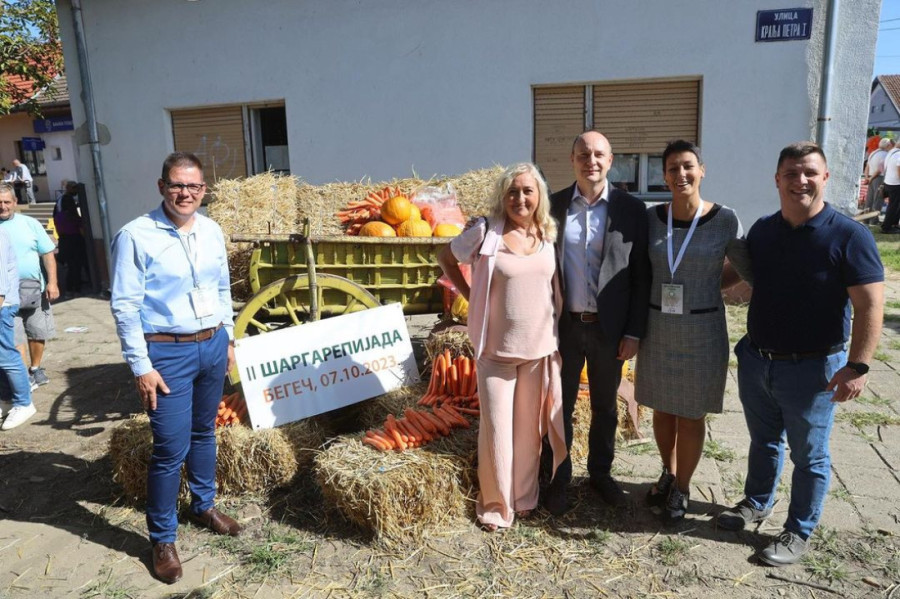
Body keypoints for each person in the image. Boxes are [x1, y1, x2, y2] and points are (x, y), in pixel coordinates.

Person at [717, 142, 884, 567]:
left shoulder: (849, 236)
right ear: (777, 179)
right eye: (791, 173)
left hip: (813, 369)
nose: (801, 180)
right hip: (758, 361)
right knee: (763, 442)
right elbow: (731, 279)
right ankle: (756, 503)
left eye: (810, 172)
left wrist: (858, 365)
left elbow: (870, 306)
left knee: (809, 455)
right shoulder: (764, 230)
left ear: (825, 177)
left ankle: (798, 530)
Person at [110, 152, 240, 583]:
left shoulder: (212, 230)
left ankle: (203, 506)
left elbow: (223, 287)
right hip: (166, 353)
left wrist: (230, 339)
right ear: (161, 185)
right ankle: (162, 538)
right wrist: (140, 366)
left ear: (204, 190)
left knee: (205, 431)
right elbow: (125, 307)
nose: (186, 193)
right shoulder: (136, 236)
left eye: (194, 186)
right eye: (177, 185)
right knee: (169, 448)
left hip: (211, 344)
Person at [437, 162, 567, 531]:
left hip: (538, 350)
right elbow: (446, 257)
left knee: (529, 433)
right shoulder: (484, 232)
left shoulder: (547, 233)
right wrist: (469, 294)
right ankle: (495, 505)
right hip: (495, 353)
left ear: (539, 196)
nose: (520, 198)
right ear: (502, 197)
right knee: (495, 430)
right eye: (512, 192)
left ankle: (524, 498)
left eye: (527, 191)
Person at [634, 141, 744, 523]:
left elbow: (743, 266)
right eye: (672, 169)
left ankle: (682, 489)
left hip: (702, 328)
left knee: (692, 414)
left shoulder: (725, 218)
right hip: (659, 327)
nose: (680, 175)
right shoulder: (651, 218)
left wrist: (713, 284)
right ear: (663, 175)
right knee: (662, 408)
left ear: (702, 170)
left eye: (687, 166)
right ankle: (667, 472)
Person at [544, 131, 650, 515]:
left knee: (605, 407)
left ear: (611, 160)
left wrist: (634, 331)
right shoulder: (552, 206)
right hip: (563, 328)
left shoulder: (631, 210)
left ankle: (601, 475)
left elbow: (641, 276)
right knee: (559, 406)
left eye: (599, 154)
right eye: (583, 153)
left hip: (610, 330)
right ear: (572, 160)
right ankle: (558, 478)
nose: (591, 160)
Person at [0, 190, 58, 387]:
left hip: (34, 288)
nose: (3, 206)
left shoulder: (30, 223)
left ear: (15, 202)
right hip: (5, 292)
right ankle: (23, 380)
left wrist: (52, 282)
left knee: (37, 331)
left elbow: (48, 253)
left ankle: (35, 369)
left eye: (7, 201)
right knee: (13, 336)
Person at [0, 184, 36, 430]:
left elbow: (1, 278)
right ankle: (6, 400)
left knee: (7, 355)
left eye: (6, 202)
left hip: (2, 304)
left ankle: (24, 403)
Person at [53, 182, 87, 295]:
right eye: (74, 188)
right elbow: (74, 217)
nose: (76, 191)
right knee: (75, 264)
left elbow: (55, 217)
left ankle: (70, 287)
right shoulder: (68, 200)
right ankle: (75, 288)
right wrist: (82, 228)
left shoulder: (59, 200)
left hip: (63, 237)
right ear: (69, 189)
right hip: (73, 236)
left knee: (70, 264)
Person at [863, 138, 892, 223]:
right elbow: (880, 169)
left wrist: (866, 178)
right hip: (879, 177)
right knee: (878, 199)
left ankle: (865, 219)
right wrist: (870, 178)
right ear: (887, 145)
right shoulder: (886, 155)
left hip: (871, 177)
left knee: (869, 199)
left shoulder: (873, 153)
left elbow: (867, 167)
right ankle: (874, 220)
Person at [880, 141, 900, 233]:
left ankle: (893, 224)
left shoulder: (891, 152)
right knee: (893, 206)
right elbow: (899, 171)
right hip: (895, 184)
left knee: (895, 205)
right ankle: (887, 227)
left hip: (888, 182)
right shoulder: (898, 154)